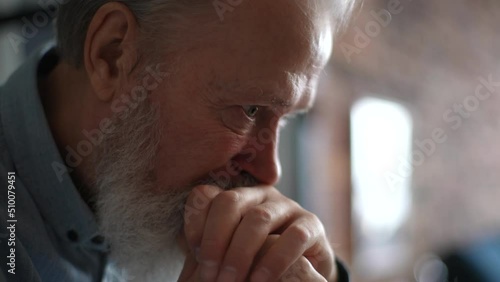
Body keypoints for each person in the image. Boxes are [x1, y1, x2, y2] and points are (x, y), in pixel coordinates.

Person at [0, 0, 355, 281]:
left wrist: (322, 273)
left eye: (288, 117)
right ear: (112, 54)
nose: (269, 172)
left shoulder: (153, 204)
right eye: (249, 109)